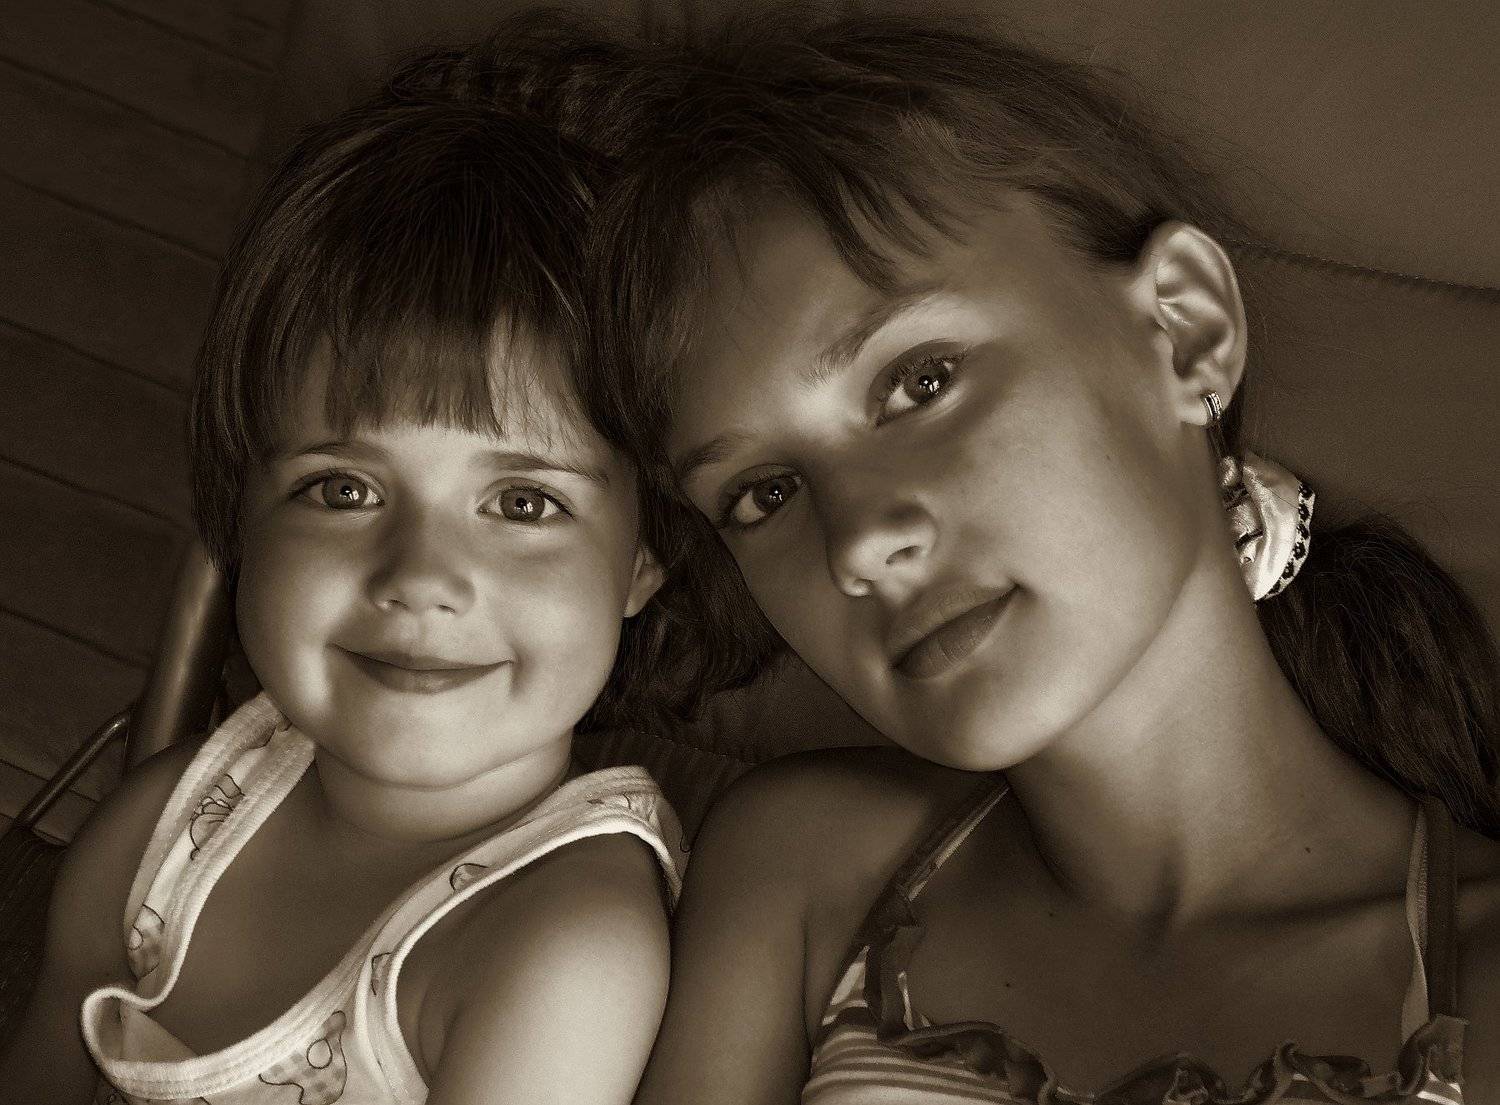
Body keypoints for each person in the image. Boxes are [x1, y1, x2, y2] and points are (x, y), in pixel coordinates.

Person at [583, 14, 1500, 1104]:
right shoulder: (800, 874)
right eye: (764, 493)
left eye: (920, 381)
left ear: (1185, 329)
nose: (860, 544)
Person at [0, 23, 720, 1105]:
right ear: (245, 513)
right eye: (343, 490)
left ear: (645, 556)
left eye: (523, 503)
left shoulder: (558, 946)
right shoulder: (161, 835)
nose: (420, 574)